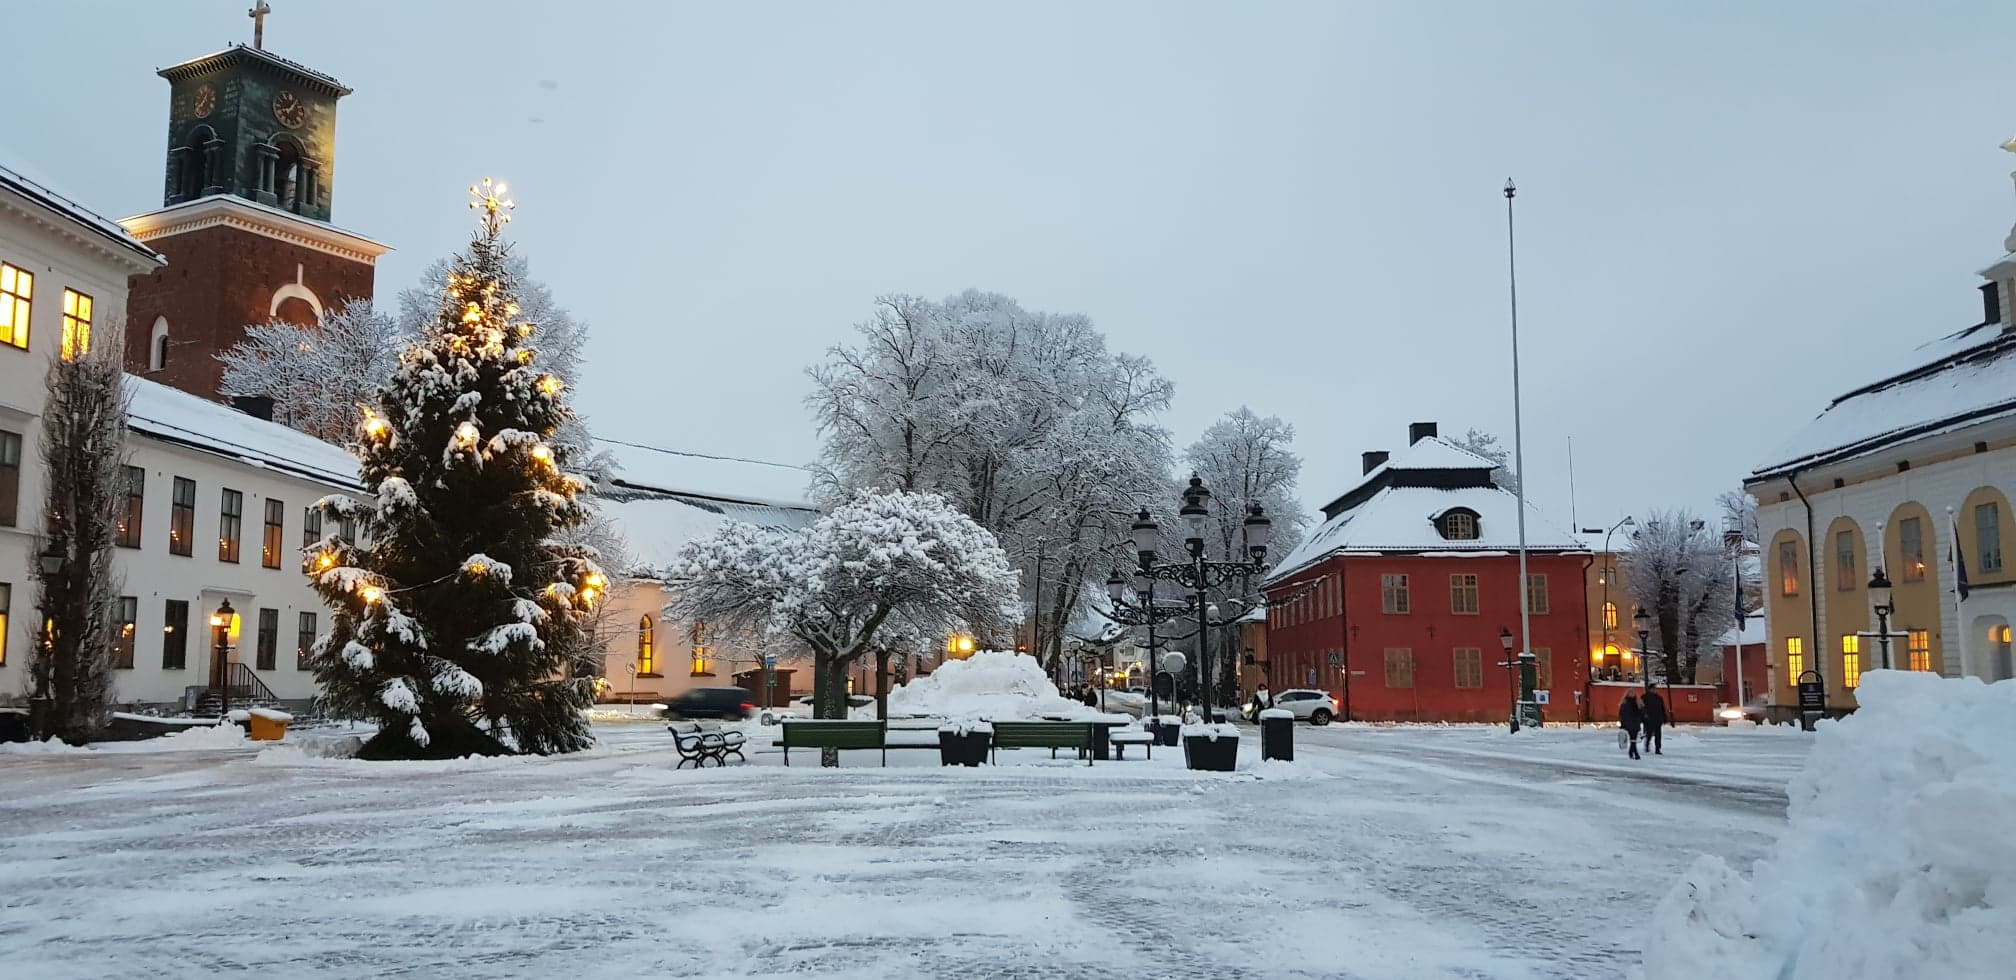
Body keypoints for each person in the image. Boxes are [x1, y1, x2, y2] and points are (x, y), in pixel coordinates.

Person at [1641, 685, 1667, 755]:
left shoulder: (1659, 698)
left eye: (1655, 689)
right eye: (1653, 689)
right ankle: (1647, 745)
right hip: (1649, 719)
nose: (1655, 690)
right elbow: (1642, 708)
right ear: (1650, 689)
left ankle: (1657, 749)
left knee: (1658, 735)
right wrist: (1644, 716)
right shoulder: (1645, 697)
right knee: (1649, 733)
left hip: (1658, 719)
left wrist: (1664, 717)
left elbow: (1662, 708)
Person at [1618, 692, 1644, 760]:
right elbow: (1622, 714)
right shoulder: (1625, 703)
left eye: (1633, 693)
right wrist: (1622, 723)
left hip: (1635, 722)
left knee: (1633, 739)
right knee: (1633, 739)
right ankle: (1635, 753)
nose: (1632, 694)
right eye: (1630, 693)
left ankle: (1632, 752)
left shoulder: (1637, 702)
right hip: (1629, 723)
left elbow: (1641, 712)